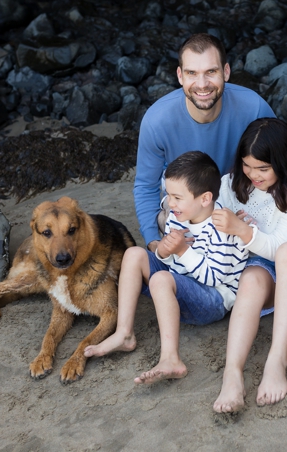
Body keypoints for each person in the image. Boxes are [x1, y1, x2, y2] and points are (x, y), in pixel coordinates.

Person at [194, 118, 287, 413]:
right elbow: (191, 200)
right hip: (262, 269)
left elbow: (278, 248)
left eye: (263, 168)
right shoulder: (230, 185)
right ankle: (232, 373)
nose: (254, 175)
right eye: (247, 166)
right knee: (249, 280)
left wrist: (241, 229)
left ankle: (277, 358)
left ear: (282, 161)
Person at [89, 151, 247, 385]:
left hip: (213, 299)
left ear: (205, 199)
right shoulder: (178, 215)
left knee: (162, 279)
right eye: (168, 195)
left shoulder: (222, 226)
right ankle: (124, 332)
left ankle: (171, 358)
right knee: (134, 254)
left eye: (177, 197)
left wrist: (183, 251)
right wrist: (164, 250)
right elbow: (168, 260)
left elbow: (215, 278)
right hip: (179, 283)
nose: (169, 204)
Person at [132, 33, 275, 252]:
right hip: (187, 203)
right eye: (192, 73)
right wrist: (152, 240)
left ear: (226, 72)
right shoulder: (157, 120)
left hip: (242, 196)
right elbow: (146, 186)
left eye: (211, 72)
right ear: (180, 76)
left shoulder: (254, 108)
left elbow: (286, 162)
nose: (202, 84)